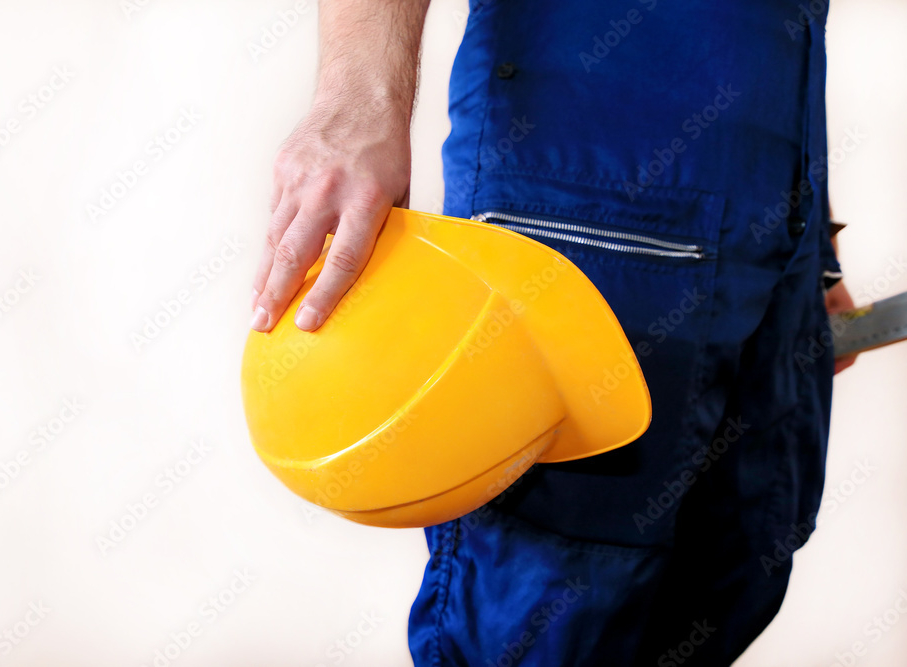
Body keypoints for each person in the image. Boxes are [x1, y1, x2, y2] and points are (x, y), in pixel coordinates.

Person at [251, 0, 858, 664]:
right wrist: (354, 106)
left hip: (770, 189)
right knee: (549, 604)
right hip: (590, 169)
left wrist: (808, 239)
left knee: (739, 558)